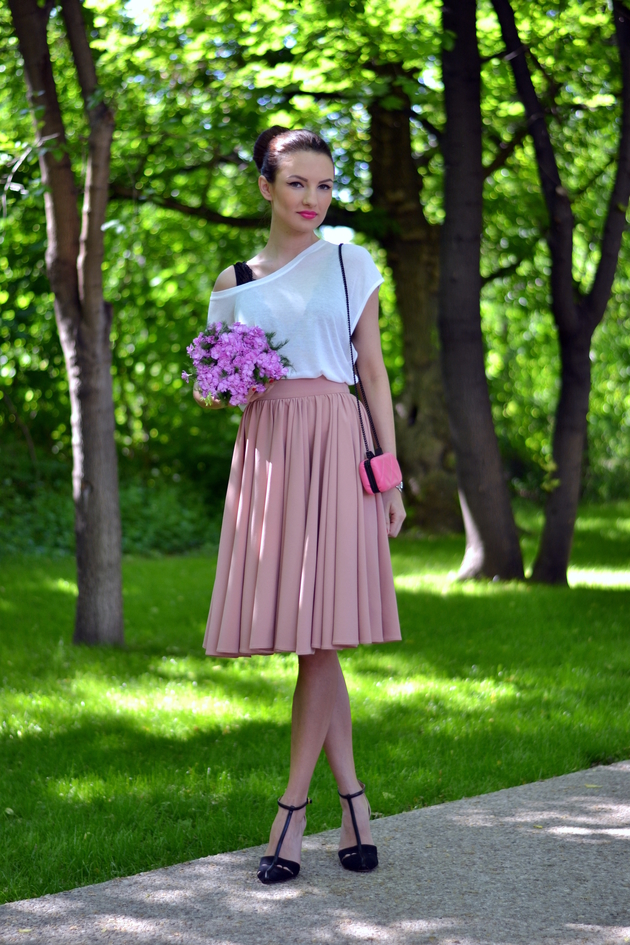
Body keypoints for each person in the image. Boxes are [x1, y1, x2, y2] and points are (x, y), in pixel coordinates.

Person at [194, 125, 405, 885]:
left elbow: (373, 374)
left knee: (321, 639)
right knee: (311, 639)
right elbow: (215, 389)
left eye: (324, 185)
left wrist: (390, 475)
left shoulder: (352, 262)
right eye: (296, 185)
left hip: (338, 443)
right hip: (271, 452)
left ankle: (290, 811)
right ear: (264, 187)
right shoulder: (233, 281)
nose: (313, 199)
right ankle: (353, 799)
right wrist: (225, 376)